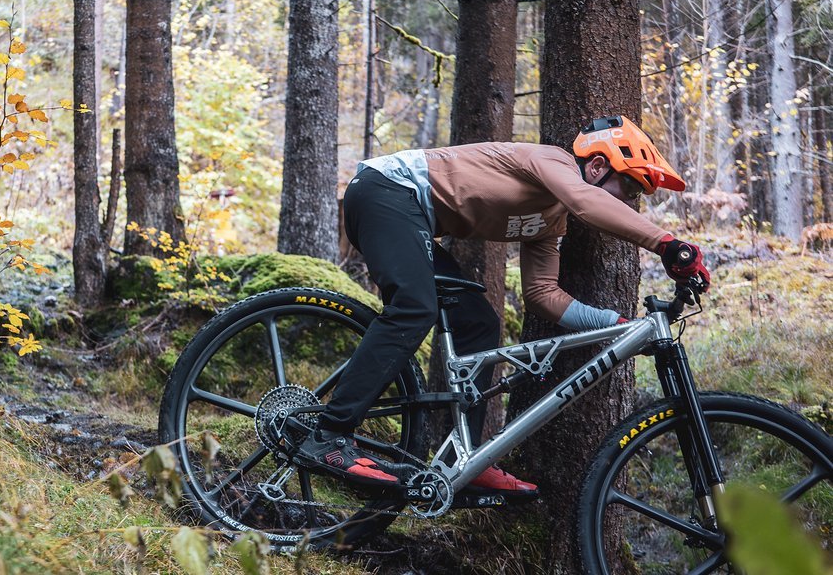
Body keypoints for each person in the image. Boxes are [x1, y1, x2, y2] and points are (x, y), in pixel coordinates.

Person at [282, 115, 712, 494]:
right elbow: (587, 200)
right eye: (628, 188)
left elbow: (543, 295)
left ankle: (467, 462)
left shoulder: (552, 219)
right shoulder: (552, 161)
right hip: (386, 192)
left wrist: (614, 323)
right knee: (415, 307)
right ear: (597, 166)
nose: (628, 201)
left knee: (480, 325)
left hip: (411, 216)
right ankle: (328, 433)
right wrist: (667, 244)